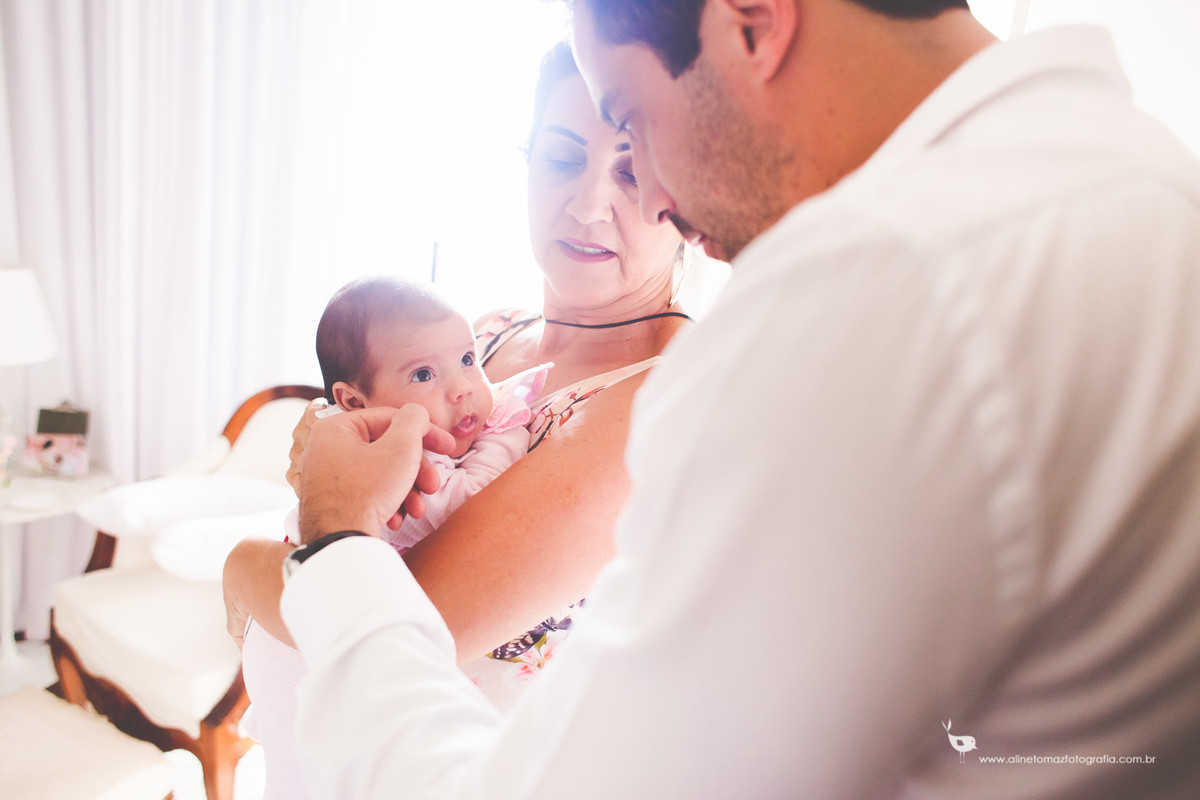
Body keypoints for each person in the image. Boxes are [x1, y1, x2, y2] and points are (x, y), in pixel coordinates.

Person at [249, 1, 1200, 798]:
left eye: (634, 122)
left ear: (753, 21)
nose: (650, 194)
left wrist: (332, 537)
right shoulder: (1129, 177)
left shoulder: (886, 289)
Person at [223, 34, 700, 766]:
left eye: (634, 172)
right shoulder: (488, 333)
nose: (587, 204)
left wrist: (239, 568)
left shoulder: (661, 401)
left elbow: (397, 620)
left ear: (691, 196)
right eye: (564, 158)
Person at [241, 276, 548, 799]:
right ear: (354, 401)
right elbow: (466, 499)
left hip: (298, 615)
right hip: (300, 653)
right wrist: (507, 437)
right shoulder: (407, 458)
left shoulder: (370, 436)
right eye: (425, 374)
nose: (462, 388)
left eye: (469, 361)